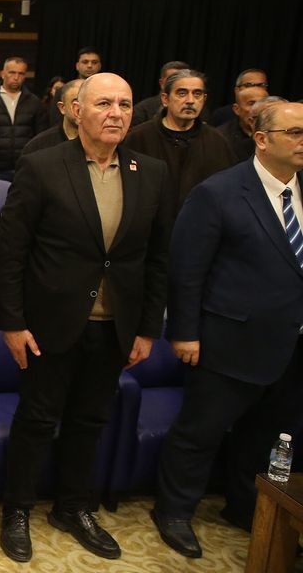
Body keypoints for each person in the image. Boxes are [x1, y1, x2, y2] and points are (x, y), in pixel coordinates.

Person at [0, 73, 171, 564]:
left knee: (90, 421)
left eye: (125, 104)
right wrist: (12, 322)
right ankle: (18, 510)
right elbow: (12, 251)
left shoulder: (150, 171)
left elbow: (158, 258)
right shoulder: (43, 165)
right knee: (36, 420)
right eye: (104, 103)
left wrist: (147, 328)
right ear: (77, 111)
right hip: (49, 324)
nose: (116, 113)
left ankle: (73, 507)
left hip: (115, 326)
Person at [152, 101, 303, 558]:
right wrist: (184, 333)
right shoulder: (219, 193)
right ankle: (174, 511)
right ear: (262, 139)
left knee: (267, 436)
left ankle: (244, 506)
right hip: (229, 340)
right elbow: (187, 271)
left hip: (291, 344)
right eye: (295, 133)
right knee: (200, 433)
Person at [123, 69, 237, 215]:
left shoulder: (218, 142)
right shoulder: (138, 138)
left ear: (204, 99)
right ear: (165, 99)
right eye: (182, 93)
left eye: (197, 94)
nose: (190, 100)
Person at [0, 56, 46, 181]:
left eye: (21, 73)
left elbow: (41, 136)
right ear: (3, 74)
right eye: (12, 72)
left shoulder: (34, 102)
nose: (16, 77)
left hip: (25, 167)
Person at [20, 78, 82, 161]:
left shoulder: (99, 143)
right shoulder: (38, 146)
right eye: (75, 103)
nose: (81, 108)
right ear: (62, 108)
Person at [217, 79, 268, 159]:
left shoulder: (275, 134)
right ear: (237, 109)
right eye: (251, 103)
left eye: (261, 103)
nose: (257, 109)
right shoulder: (220, 137)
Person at [133, 60, 190, 126]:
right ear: (162, 83)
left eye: (183, 80)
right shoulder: (142, 110)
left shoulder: (196, 109)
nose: (178, 84)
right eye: (172, 80)